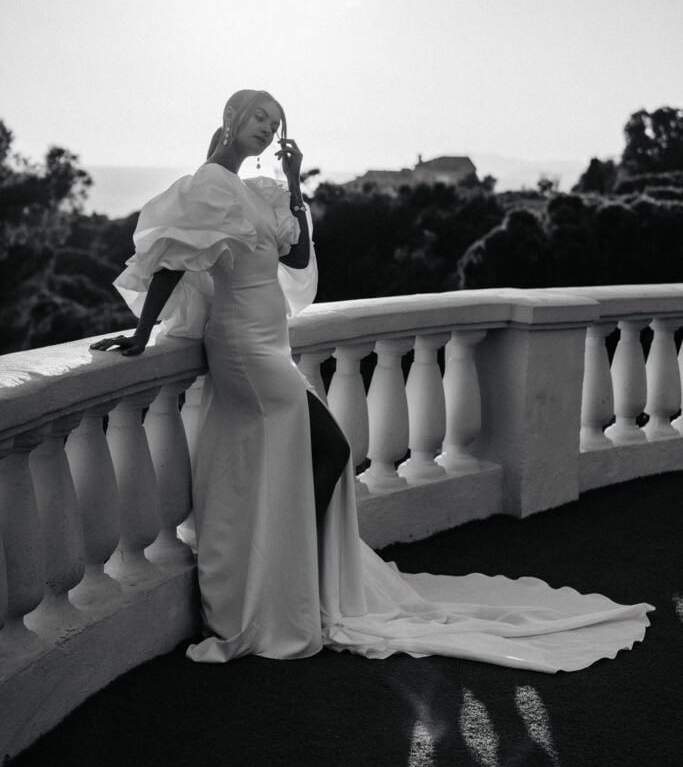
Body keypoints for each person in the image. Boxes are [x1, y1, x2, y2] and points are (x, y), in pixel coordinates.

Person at [92, 89, 654, 671]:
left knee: (290, 459)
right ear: (233, 118)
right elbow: (171, 261)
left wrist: (293, 182)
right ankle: (276, 583)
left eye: (275, 121)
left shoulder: (259, 191)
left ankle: (284, 575)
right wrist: (141, 333)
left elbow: (296, 253)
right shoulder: (209, 183)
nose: (266, 127)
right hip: (240, 348)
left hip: (270, 343)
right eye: (258, 116)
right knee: (328, 449)